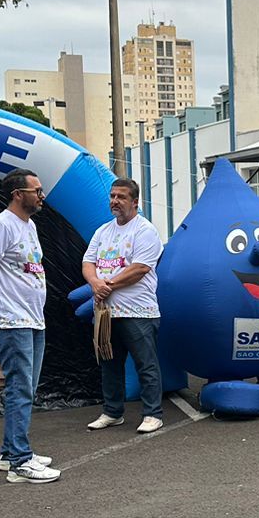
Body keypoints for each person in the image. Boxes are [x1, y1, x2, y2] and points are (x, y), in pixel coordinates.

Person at [0, 168, 59, 480]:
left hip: (32, 318)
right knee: (20, 389)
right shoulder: (1, 226)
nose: (42, 195)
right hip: (12, 320)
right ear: (18, 194)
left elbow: (16, 272)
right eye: (36, 190)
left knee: (26, 389)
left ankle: (10, 454)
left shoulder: (29, 225)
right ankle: (20, 463)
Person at [83, 177, 165, 434]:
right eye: (112, 196)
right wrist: (95, 283)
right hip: (107, 313)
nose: (115, 201)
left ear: (135, 202)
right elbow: (87, 262)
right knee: (109, 364)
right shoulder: (102, 231)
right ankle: (112, 412)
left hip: (138, 312)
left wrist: (107, 285)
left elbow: (140, 268)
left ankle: (153, 414)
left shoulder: (145, 230)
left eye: (121, 197)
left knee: (146, 364)